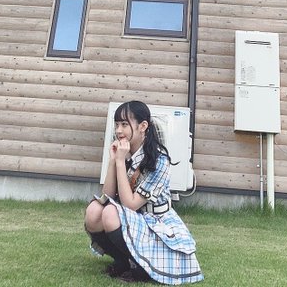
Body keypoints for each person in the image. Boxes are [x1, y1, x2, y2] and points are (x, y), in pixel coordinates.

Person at [84, 100, 204, 284]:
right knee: (94, 211)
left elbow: (130, 205)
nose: (118, 131)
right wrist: (113, 161)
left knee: (109, 213)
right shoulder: (124, 153)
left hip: (154, 222)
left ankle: (140, 268)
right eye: (117, 124)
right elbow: (107, 196)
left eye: (125, 124)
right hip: (133, 219)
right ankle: (123, 262)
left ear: (143, 126)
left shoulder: (159, 160)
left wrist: (120, 163)